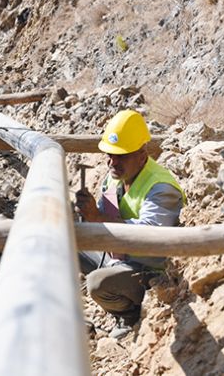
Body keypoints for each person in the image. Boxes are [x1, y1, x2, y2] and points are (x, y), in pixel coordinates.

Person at [75, 109, 185, 339]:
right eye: (110, 154)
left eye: (121, 155)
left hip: (149, 268)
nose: (113, 162)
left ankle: (129, 314)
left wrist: (97, 217)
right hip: (120, 255)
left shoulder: (161, 188)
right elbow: (104, 218)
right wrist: (88, 214)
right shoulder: (114, 176)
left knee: (97, 283)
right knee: (68, 239)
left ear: (142, 154)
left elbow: (150, 239)